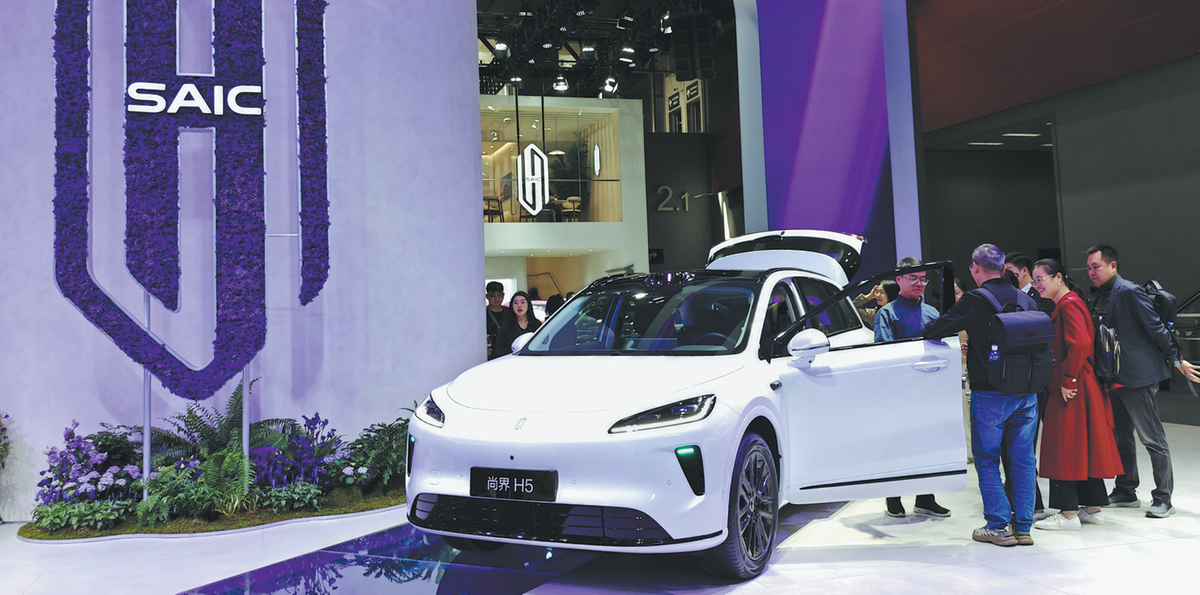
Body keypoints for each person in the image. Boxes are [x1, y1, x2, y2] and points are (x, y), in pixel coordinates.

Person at [924, 244, 1039, 547]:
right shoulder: (1026, 298)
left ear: (975, 268)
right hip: (1027, 393)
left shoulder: (974, 300)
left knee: (987, 460)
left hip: (990, 394)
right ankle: (1023, 528)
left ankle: (998, 526)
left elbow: (934, 330)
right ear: (1003, 268)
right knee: (1024, 462)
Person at [1085, 244, 1200, 518]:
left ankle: (1163, 498)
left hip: (1137, 376)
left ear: (1113, 266)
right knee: (1121, 436)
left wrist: (1177, 360)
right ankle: (1126, 490)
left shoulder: (1130, 292)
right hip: (1113, 377)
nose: (1091, 272)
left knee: (1152, 438)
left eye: (1096, 266)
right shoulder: (1099, 294)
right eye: (1088, 268)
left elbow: (1156, 328)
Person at [1030, 258, 1124, 531]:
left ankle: (1068, 513)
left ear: (1058, 277)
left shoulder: (1068, 304)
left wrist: (1067, 378)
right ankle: (1092, 508)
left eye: (1040, 280)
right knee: (1083, 444)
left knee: (1065, 444)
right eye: (1035, 281)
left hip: (1073, 383)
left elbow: (1080, 343)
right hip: (1082, 383)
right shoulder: (1071, 302)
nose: (1037, 286)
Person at [874, 258, 950, 519]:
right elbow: (884, 354)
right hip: (899, 392)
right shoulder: (887, 314)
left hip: (928, 391)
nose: (919, 283)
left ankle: (925, 498)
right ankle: (893, 497)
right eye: (913, 278)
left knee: (927, 443)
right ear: (899, 280)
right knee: (896, 444)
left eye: (923, 279)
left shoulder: (932, 313)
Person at [1002, 252, 1054, 517]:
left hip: (1034, 377)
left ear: (1023, 271)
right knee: (1017, 443)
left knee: (1024, 443)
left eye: (1010, 271)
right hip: (1020, 377)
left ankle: (1028, 499)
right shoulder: (1015, 297)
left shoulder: (1038, 299)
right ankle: (1025, 496)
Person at [490, 290, 542, 360]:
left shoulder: (536, 325)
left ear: (528, 305)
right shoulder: (506, 327)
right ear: (512, 307)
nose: (519, 305)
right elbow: (499, 349)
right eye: (515, 303)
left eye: (523, 302)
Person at [485, 281, 513, 359]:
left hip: (507, 353)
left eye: (499, 295)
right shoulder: (482, 314)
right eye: (493, 296)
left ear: (503, 295)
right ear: (487, 296)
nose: (496, 299)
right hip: (490, 354)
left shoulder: (510, 313)